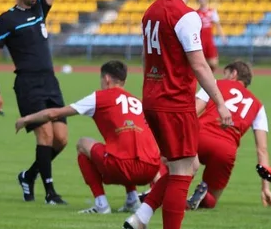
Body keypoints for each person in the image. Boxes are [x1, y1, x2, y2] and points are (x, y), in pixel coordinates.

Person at [123, 0, 233, 229]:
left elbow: (146, 57)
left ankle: (140, 218)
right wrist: (220, 103)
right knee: (183, 169)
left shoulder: (151, 11)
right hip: (175, 101)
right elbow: (200, 66)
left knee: (186, 165)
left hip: (153, 97)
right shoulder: (187, 16)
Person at [0, 0, 70, 206]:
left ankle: (29, 175)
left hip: (49, 81)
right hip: (27, 83)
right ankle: (50, 192)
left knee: (61, 139)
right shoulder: (6, 20)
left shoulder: (40, 10)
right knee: (45, 134)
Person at [13, 60, 162, 215]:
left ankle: (101, 204)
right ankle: (132, 200)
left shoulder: (99, 97)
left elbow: (53, 114)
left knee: (83, 143)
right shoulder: (137, 102)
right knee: (123, 146)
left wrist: (26, 119)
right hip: (150, 169)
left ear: (106, 79)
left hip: (123, 167)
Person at [186, 60, 271, 210]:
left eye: (225, 73)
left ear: (233, 74)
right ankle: (203, 194)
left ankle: (155, 194)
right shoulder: (258, 106)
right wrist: (265, 187)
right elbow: (262, 150)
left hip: (200, 137)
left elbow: (193, 111)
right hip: (226, 150)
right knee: (211, 199)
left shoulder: (214, 84)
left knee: (176, 173)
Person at [196, 0, 224, 71]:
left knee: (213, 63)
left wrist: (222, 36)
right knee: (199, 63)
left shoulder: (212, 11)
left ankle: (210, 77)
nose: (202, 1)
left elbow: (217, 24)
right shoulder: (196, 13)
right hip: (200, 40)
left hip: (209, 40)